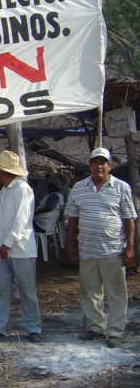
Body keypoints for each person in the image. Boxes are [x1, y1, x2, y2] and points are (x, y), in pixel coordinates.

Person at [65, 147, 137, 348]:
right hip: (87, 248)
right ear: (89, 165)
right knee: (90, 291)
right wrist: (69, 246)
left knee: (115, 292)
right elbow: (72, 219)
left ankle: (115, 331)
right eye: (95, 162)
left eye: (103, 162)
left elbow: (130, 219)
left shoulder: (121, 187)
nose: (99, 166)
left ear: (109, 166)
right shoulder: (79, 187)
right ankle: (96, 327)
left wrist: (130, 247)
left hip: (113, 249)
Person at [0, 150, 42, 343]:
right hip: (2, 248)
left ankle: (34, 328)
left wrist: (8, 243)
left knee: (27, 290)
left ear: (5, 172)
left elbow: (21, 220)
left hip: (20, 249)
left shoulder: (22, 189)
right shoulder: (4, 191)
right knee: (0, 289)